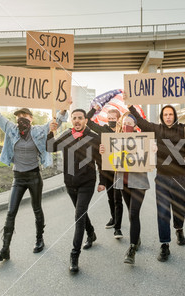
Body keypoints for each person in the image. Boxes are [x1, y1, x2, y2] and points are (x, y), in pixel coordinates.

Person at [127, 104, 185, 262]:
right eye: (165, 114)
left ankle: (179, 229)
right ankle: (164, 245)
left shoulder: (184, 129)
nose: (168, 117)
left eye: (171, 114)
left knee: (179, 207)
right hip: (162, 177)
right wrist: (130, 106)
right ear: (162, 117)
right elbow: (140, 121)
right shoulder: (156, 129)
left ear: (175, 115)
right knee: (163, 211)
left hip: (179, 177)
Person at [0, 105, 68, 261]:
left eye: (25, 115)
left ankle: (39, 239)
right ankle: (5, 249)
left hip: (34, 177)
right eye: (19, 115)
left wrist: (64, 108)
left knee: (37, 209)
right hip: (18, 178)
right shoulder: (11, 129)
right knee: (11, 212)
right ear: (16, 119)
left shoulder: (39, 131)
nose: (22, 117)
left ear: (31, 118)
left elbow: (57, 120)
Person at [47, 108, 105, 273]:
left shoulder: (95, 137)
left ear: (86, 120)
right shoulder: (66, 135)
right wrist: (51, 132)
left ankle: (74, 255)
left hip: (87, 183)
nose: (77, 121)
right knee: (82, 212)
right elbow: (50, 147)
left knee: (78, 216)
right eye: (75, 118)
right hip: (70, 182)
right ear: (71, 120)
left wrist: (102, 181)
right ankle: (91, 232)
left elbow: (102, 161)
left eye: (80, 118)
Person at [100, 112, 150, 265]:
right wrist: (104, 152)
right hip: (123, 181)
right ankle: (137, 238)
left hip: (139, 181)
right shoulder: (114, 139)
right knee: (131, 213)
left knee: (134, 213)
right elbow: (109, 160)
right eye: (124, 122)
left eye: (130, 122)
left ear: (135, 125)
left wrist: (153, 150)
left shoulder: (143, 139)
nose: (127, 124)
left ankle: (132, 248)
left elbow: (151, 159)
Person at [86, 106, 124, 238]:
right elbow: (87, 121)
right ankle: (114, 218)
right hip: (107, 169)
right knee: (110, 197)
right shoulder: (103, 130)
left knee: (118, 198)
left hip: (120, 169)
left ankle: (118, 228)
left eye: (113, 118)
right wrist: (93, 109)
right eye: (109, 119)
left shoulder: (124, 132)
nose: (111, 121)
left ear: (118, 119)